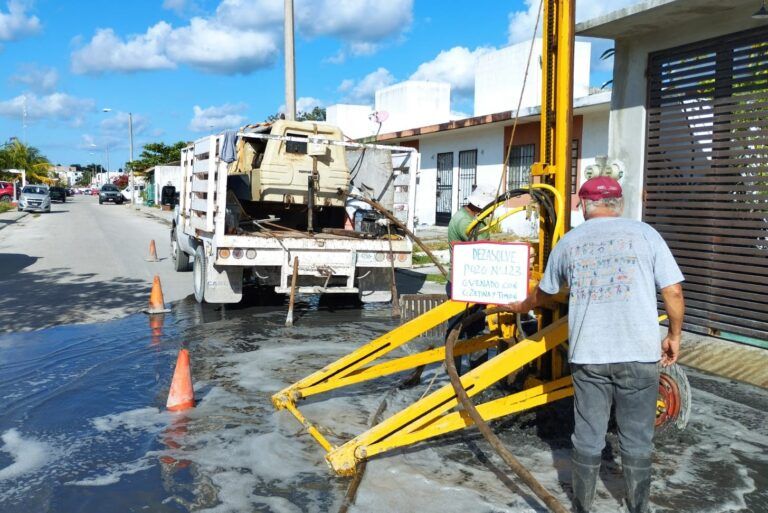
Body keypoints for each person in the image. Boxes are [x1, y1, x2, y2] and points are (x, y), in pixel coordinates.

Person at [506, 176, 685, 513]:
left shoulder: (570, 242)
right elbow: (673, 291)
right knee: (637, 437)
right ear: (618, 203)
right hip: (640, 354)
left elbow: (542, 296)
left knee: (588, 435)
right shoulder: (647, 235)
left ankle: (582, 507)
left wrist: (516, 306)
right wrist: (674, 335)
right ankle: (638, 507)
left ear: (585, 205)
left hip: (590, 356)